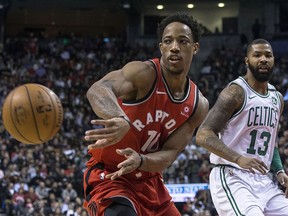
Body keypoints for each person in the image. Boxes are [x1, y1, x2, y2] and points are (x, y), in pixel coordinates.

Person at [83, 12, 209, 216]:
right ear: (161, 48)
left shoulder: (198, 104)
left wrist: (141, 161)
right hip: (110, 176)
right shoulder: (143, 74)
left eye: (182, 41)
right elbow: (98, 89)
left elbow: (170, 153)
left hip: (150, 182)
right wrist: (120, 117)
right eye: (168, 41)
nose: (174, 47)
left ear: (195, 47)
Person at [196, 38, 288, 215]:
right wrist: (239, 159)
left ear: (274, 60)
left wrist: (279, 171)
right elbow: (203, 134)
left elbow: (272, 144)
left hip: (263, 180)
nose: (263, 59)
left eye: (268, 55)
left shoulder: (277, 98)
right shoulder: (236, 92)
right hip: (232, 176)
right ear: (247, 61)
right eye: (257, 55)